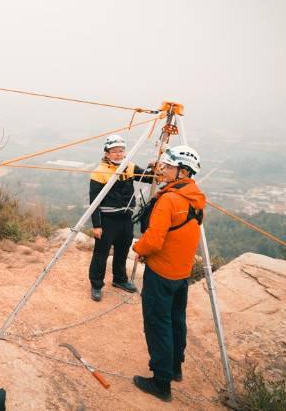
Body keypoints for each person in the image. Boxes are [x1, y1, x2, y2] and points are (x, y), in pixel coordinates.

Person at [131, 145, 205, 402]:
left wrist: (138, 248)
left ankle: (161, 382)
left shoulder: (169, 200)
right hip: (181, 274)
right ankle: (175, 368)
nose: (164, 170)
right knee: (175, 321)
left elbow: (152, 240)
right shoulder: (195, 198)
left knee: (157, 323)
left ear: (183, 172)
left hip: (161, 273)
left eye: (169, 167)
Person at [88, 134, 151, 301]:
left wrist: (154, 168)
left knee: (123, 250)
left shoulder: (129, 166)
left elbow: (149, 178)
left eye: (121, 150)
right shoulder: (99, 172)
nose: (118, 154)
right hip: (108, 219)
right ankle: (96, 284)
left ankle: (120, 279)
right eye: (114, 151)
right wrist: (97, 225)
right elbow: (94, 201)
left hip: (125, 218)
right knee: (101, 253)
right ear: (107, 153)